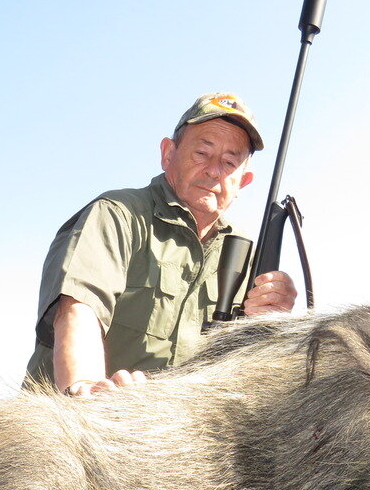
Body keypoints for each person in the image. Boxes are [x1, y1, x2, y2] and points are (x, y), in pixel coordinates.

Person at [25, 92, 297, 396]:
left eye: (229, 162)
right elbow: (79, 308)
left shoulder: (248, 253)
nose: (214, 170)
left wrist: (271, 324)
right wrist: (86, 388)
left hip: (175, 433)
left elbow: (247, 367)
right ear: (168, 154)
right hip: (76, 426)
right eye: (201, 153)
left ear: (243, 181)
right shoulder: (117, 214)